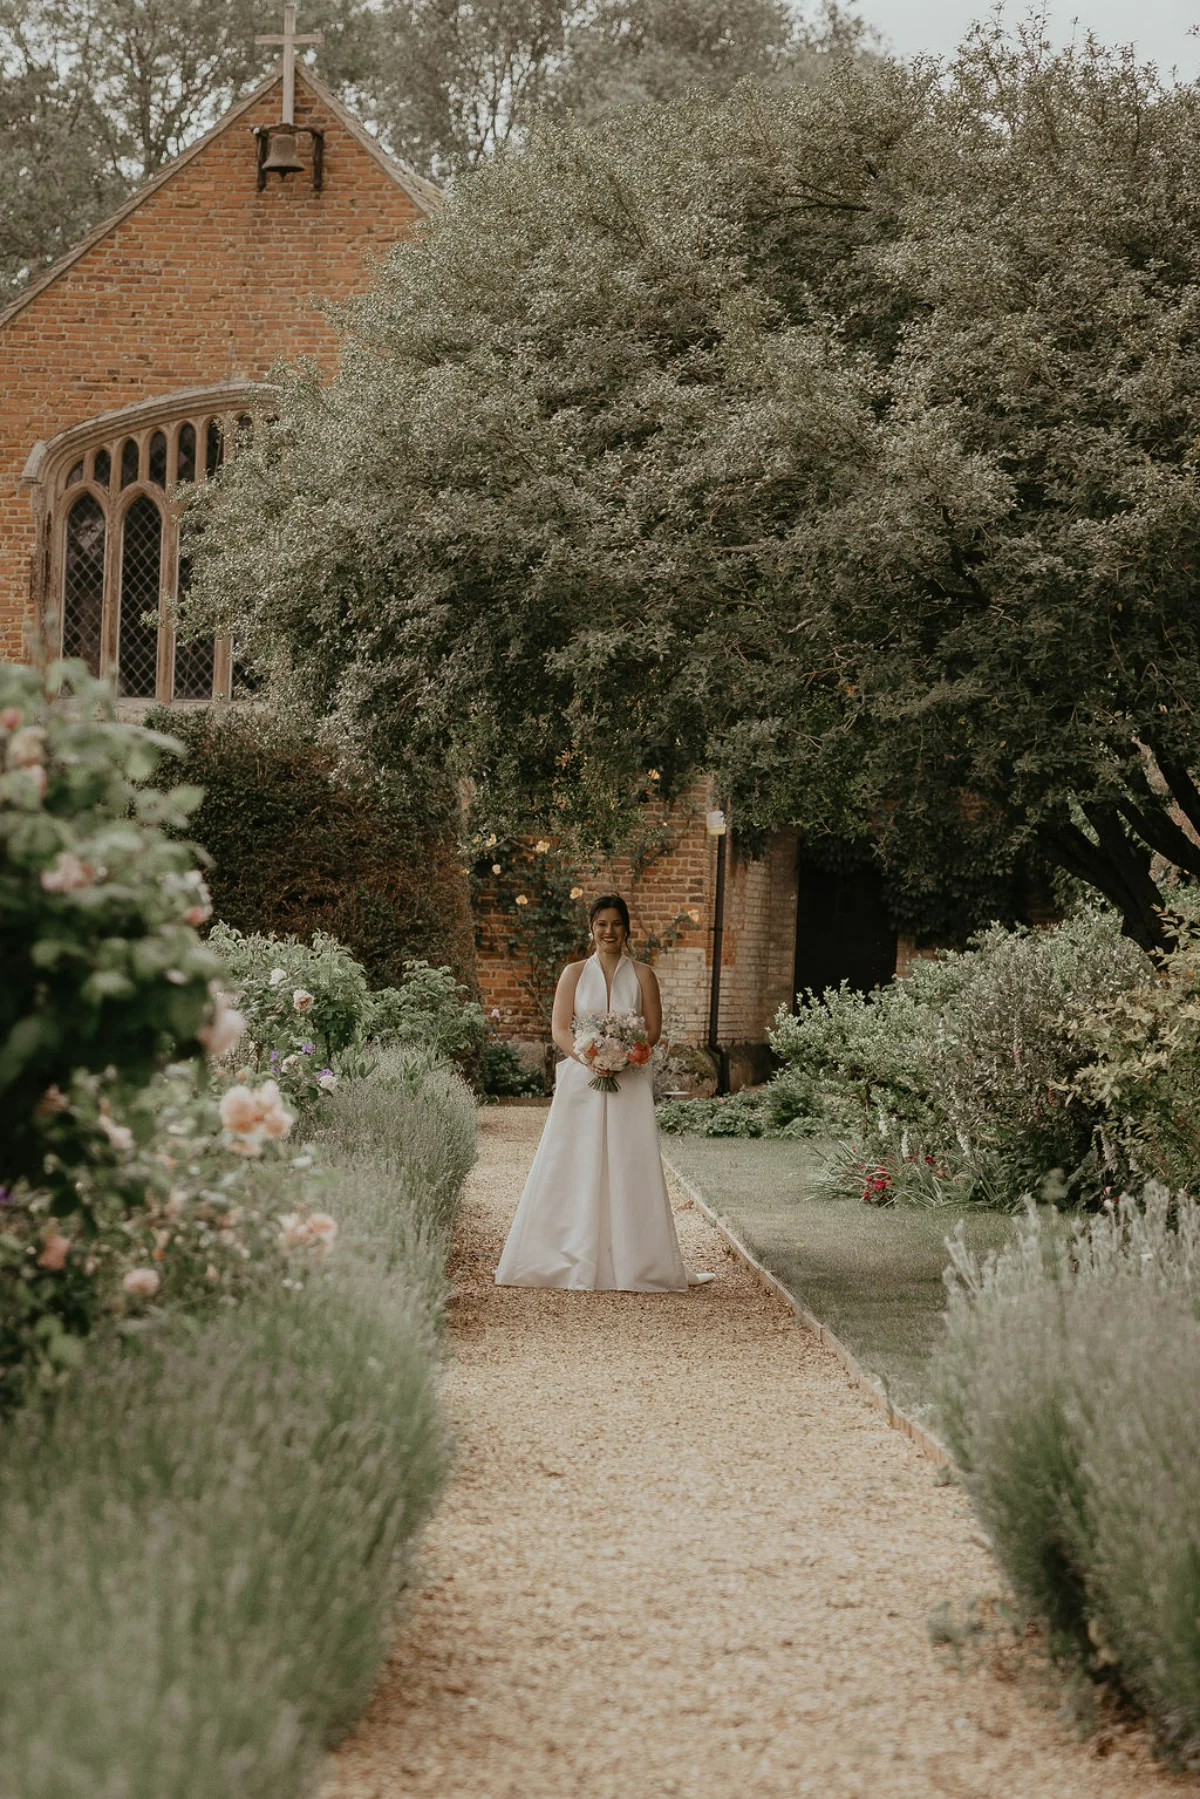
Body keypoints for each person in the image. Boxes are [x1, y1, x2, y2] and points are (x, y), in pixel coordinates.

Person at [495, 893, 715, 1291]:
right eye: (601, 924)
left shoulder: (644, 974)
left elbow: (652, 1029)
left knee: (629, 1163)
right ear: (591, 928)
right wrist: (589, 1056)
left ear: (626, 929)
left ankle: (636, 1261)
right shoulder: (573, 973)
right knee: (574, 1162)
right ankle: (565, 1255)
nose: (608, 931)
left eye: (616, 924)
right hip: (582, 1081)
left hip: (629, 1081)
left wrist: (625, 1054)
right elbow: (561, 1029)